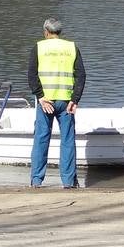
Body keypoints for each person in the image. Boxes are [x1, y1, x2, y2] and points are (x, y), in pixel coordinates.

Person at [27, 18, 86, 189]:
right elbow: (81, 75)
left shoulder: (39, 47)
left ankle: (36, 181)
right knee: (67, 141)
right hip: (66, 102)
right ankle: (68, 182)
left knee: (41, 140)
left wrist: (40, 96)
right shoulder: (71, 47)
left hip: (46, 101)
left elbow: (32, 75)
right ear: (60, 32)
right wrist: (75, 99)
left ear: (46, 31)